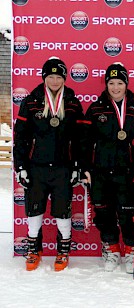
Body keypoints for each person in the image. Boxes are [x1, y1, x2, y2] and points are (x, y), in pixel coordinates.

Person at [81, 62, 134, 273]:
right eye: (111, 83)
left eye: (120, 83)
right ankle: (112, 250)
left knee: (128, 213)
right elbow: (84, 143)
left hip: (128, 173)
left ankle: (132, 251)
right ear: (106, 84)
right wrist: (86, 168)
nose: (115, 87)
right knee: (104, 214)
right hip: (101, 172)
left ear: (126, 84)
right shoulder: (96, 109)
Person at [13, 56, 85, 271]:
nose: (54, 81)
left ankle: (63, 250)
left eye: (58, 77)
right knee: (34, 210)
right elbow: (20, 137)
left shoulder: (72, 102)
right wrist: (21, 167)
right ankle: (34, 249)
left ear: (64, 78)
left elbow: (80, 140)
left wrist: (77, 167)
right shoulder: (31, 101)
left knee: (63, 211)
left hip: (63, 168)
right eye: (51, 76)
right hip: (37, 167)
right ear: (45, 77)